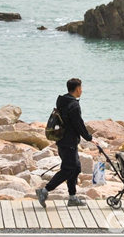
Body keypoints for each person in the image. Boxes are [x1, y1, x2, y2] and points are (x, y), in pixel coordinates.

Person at [36, 78, 97, 207]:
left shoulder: (62, 101)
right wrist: (89, 137)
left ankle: (72, 197)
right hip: (68, 142)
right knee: (68, 169)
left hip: (62, 140)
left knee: (76, 168)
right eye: (81, 88)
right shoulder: (74, 105)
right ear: (78, 89)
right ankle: (44, 190)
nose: (82, 90)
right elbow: (78, 124)